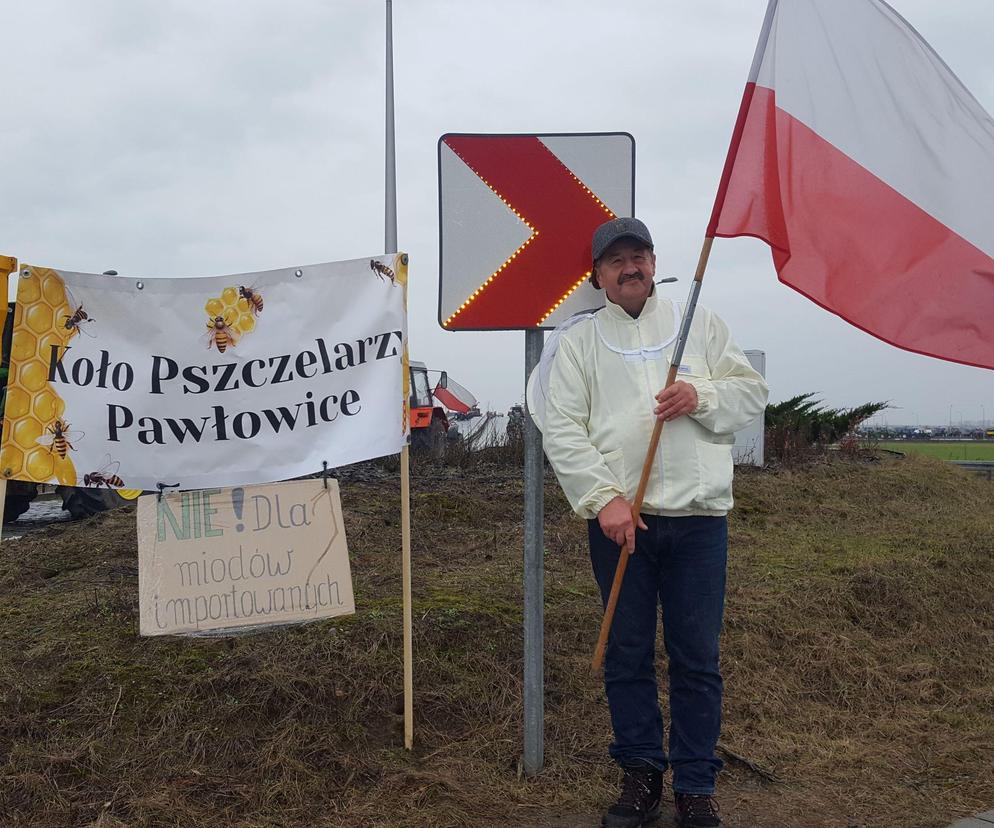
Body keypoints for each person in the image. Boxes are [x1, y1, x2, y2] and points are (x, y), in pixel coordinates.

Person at [540, 217, 768, 828]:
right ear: (598, 276)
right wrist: (604, 499)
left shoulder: (700, 326)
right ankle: (641, 772)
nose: (630, 266)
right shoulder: (579, 344)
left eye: (638, 255)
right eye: (616, 260)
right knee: (628, 653)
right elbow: (562, 427)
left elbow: (750, 392)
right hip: (622, 525)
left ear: (654, 261)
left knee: (696, 658)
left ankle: (695, 785)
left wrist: (702, 397)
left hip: (698, 524)